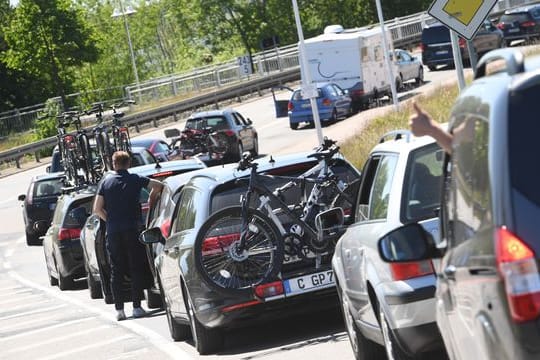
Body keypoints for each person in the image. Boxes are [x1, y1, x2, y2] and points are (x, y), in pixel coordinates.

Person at [93, 151, 163, 321]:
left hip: (113, 231)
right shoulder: (136, 179)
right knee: (135, 267)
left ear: (113, 163)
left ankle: (119, 310)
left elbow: (97, 208)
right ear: (128, 163)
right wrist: (151, 202)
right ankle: (137, 307)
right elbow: (159, 186)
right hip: (132, 228)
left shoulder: (106, 183)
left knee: (117, 269)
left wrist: (110, 220)